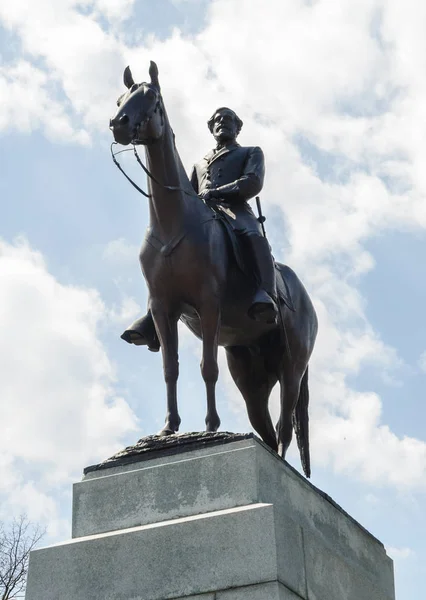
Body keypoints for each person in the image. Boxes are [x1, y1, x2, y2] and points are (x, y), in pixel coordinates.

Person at [121, 107, 277, 350]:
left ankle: (266, 294)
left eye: (228, 120)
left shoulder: (251, 152)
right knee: (164, 253)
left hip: (235, 210)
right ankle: (153, 317)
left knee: (254, 237)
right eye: (218, 120)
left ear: (238, 127)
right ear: (211, 128)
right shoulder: (199, 164)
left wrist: (218, 192)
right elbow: (187, 196)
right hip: (205, 215)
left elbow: (252, 182)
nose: (223, 123)